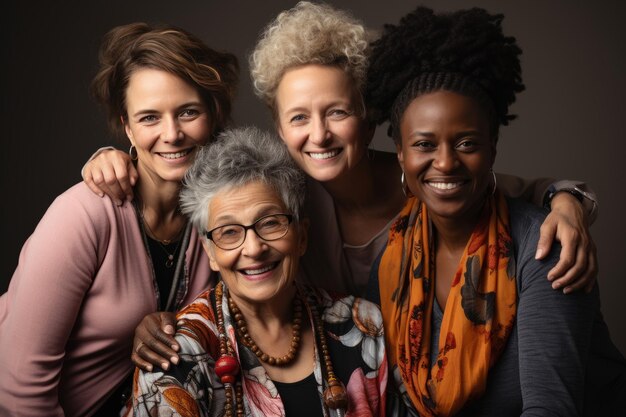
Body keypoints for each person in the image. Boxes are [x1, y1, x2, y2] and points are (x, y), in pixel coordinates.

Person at [83, 2, 598, 368]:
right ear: (280, 130)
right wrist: (163, 320)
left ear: (369, 119)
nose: (319, 134)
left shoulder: (425, 179)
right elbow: (234, 260)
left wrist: (569, 199)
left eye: (336, 112)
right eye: (299, 118)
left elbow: (510, 187)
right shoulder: (285, 205)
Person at [365, 7, 626, 416]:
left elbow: (551, 410)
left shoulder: (544, 247)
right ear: (400, 153)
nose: (446, 163)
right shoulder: (391, 262)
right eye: (424, 145)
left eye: (467, 143)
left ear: (493, 147)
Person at [0, 23, 238, 416]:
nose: (172, 133)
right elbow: (18, 388)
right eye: (149, 118)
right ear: (126, 126)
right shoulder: (83, 214)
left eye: (188, 112)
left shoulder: (214, 215)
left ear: (213, 114)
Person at [127, 127, 387, 417]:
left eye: (270, 223)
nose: (253, 248)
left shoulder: (365, 326)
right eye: (229, 231)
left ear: (302, 236)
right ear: (210, 251)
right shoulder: (178, 356)